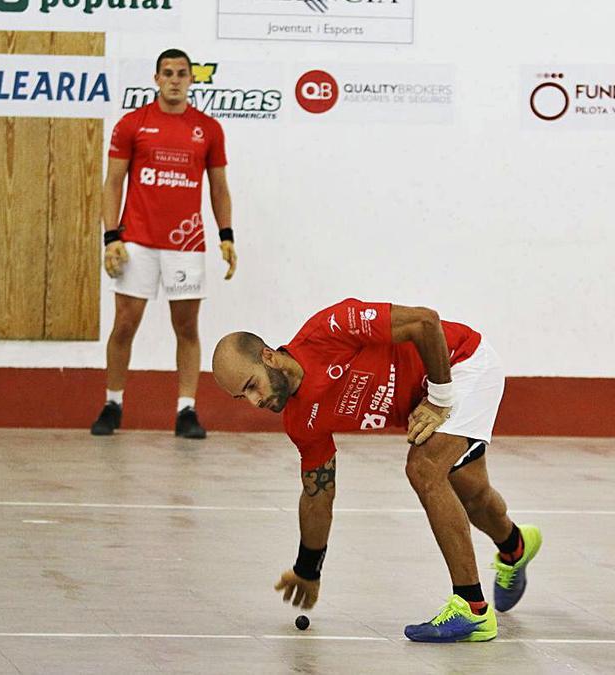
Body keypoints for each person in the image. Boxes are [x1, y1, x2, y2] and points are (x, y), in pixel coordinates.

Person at [211, 299, 541, 643]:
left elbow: (425, 322)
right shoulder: (299, 421)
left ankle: (473, 611)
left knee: (424, 469)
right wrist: (307, 568)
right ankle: (515, 544)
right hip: (427, 400)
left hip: (462, 364)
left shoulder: (331, 329)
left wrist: (439, 397)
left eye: (251, 386)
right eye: (242, 397)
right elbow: (318, 493)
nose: (254, 401)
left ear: (268, 357)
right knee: (472, 495)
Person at [91, 48, 236, 439]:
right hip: (136, 240)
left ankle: (186, 410)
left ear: (191, 79)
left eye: (181, 73)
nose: (174, 79)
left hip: (186, 243)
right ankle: (113, 402)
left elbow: (219, 186)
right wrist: (111, 236)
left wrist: (226, 235)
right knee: (125, 323)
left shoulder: (207, 129)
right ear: (156, 79)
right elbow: (113, 182)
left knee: (186, 327)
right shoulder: (132, 124)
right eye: (167, 73)